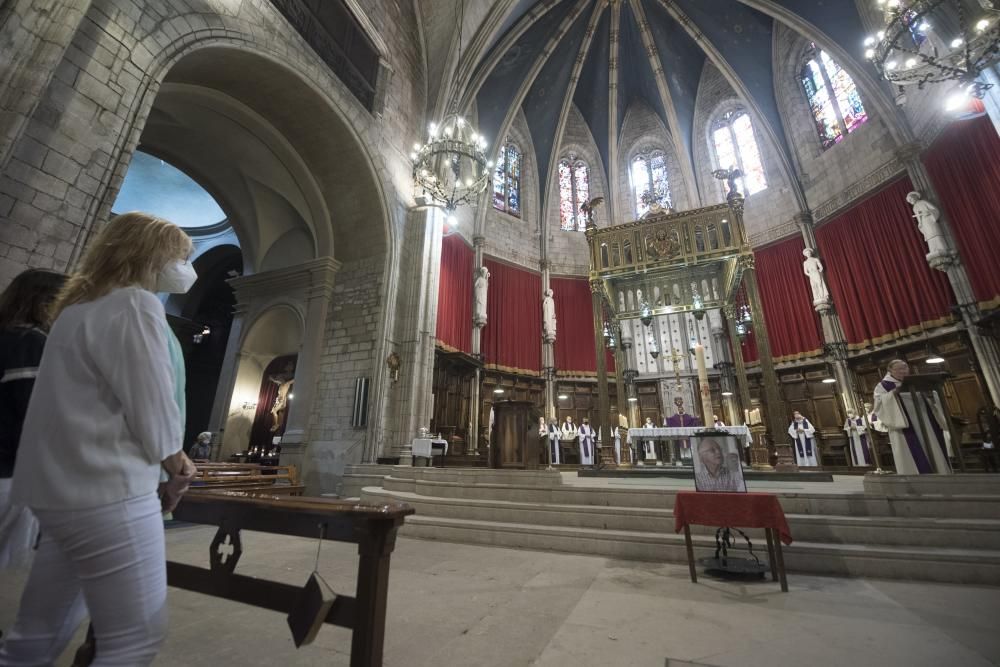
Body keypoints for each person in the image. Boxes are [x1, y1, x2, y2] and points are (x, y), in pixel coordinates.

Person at [0, 212, 198, 665]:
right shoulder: (135, 304)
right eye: (182, 256)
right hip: (111, 489)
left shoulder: (74, 312)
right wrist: (177, 462)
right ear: (149, 253)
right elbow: (151, 402)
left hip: (62, 493)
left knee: (37, 634)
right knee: (136, 635)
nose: (188, 268)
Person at [0, 269, 67, 570]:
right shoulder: (31, 340)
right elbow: (33, 411)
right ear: (46, 304)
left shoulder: (8, 334)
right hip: (7, 470)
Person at [872, 359, 952, 475]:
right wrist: (893, 394)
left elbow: (932, 395)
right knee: (911, 453)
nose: (903, 371)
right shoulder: (883, 385)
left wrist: (930, 395)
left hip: (926, 420)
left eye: (905, 368)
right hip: (904, 426)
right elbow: (879, 403)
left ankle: (941, 472)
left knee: (934, 446)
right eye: (899, 369)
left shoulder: (916, 381)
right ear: (890, 371)